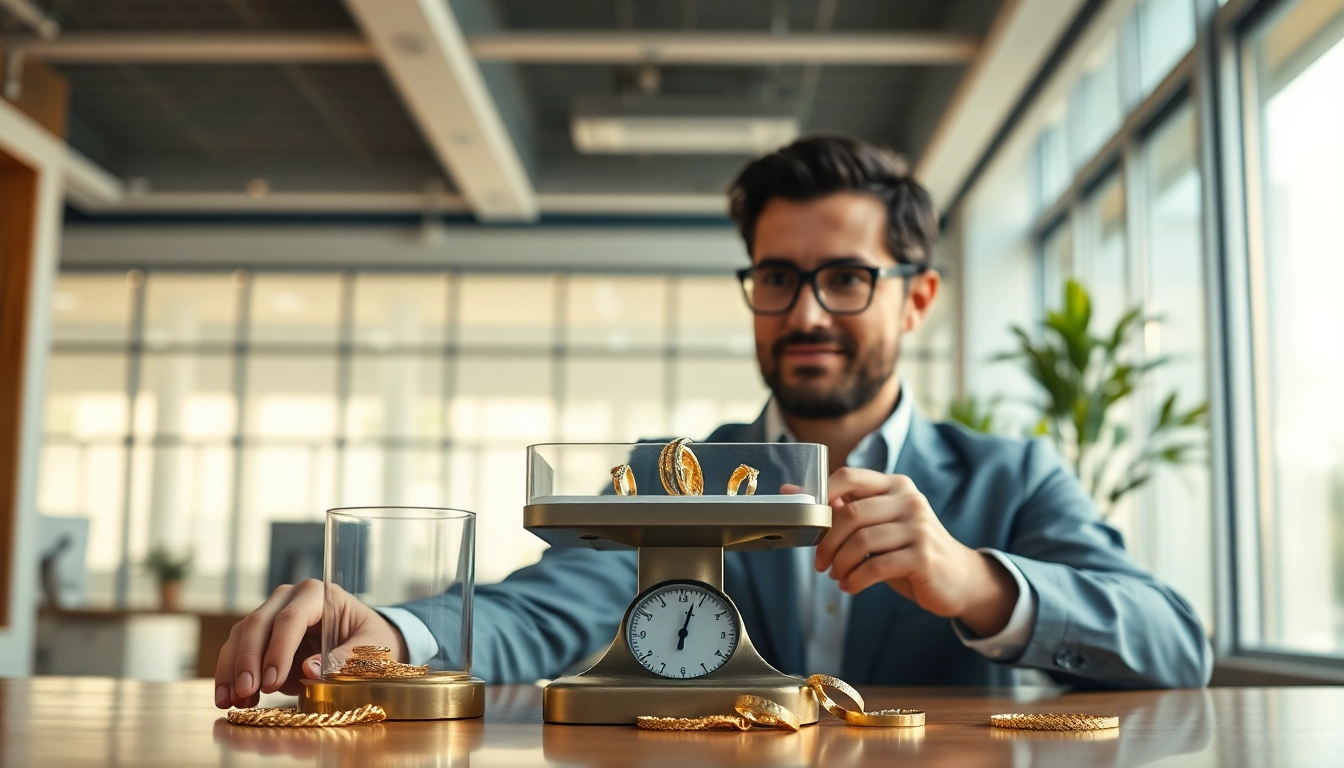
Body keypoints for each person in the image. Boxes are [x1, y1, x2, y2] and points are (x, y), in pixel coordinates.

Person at [213, 134, 1212, 710]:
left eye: (847, 279)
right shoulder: (669, 473)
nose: (808, 311)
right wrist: (392, 630)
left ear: (917, 298)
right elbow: (550, 608)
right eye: (778, 277)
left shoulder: (1014, 478)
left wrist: (979, 582)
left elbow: (1175, 645)